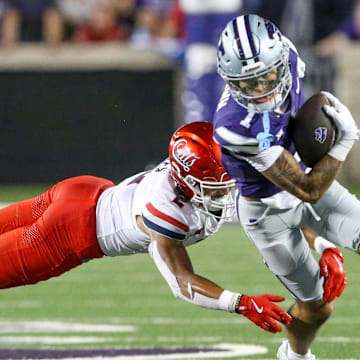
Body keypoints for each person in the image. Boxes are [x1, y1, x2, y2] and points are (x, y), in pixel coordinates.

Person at [0, 121, 296, 333]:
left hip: (81, 192)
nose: (223, 193)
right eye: (213, 187)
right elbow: (182, 283)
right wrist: (240, 303)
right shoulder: (166, 208)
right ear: (186, 181)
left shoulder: (190, 175)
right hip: (68, 232)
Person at [214, 14, 355, 359]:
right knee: (318, 308)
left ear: (281, 60)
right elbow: (307, 191)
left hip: (304, 178)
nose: (260, 90)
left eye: (266, 77)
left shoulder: (288, 53)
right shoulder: (236, 127)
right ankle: (294, 356)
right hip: (267, 215)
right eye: (247, 84)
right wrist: (344, 140)